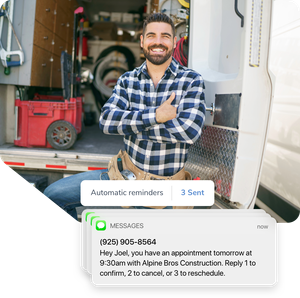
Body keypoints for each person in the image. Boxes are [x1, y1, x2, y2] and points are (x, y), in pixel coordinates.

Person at [43, 12, 205, 221]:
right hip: (123, 178)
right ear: (142, 41)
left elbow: (190, 133)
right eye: (151, 36)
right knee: (53, 195)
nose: (158, 42)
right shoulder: (128, 80)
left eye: (165, 36)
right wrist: (157, 116)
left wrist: (130, 123)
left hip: (165, 192)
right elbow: (107, 121)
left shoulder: (191, 80)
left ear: (174, 42)